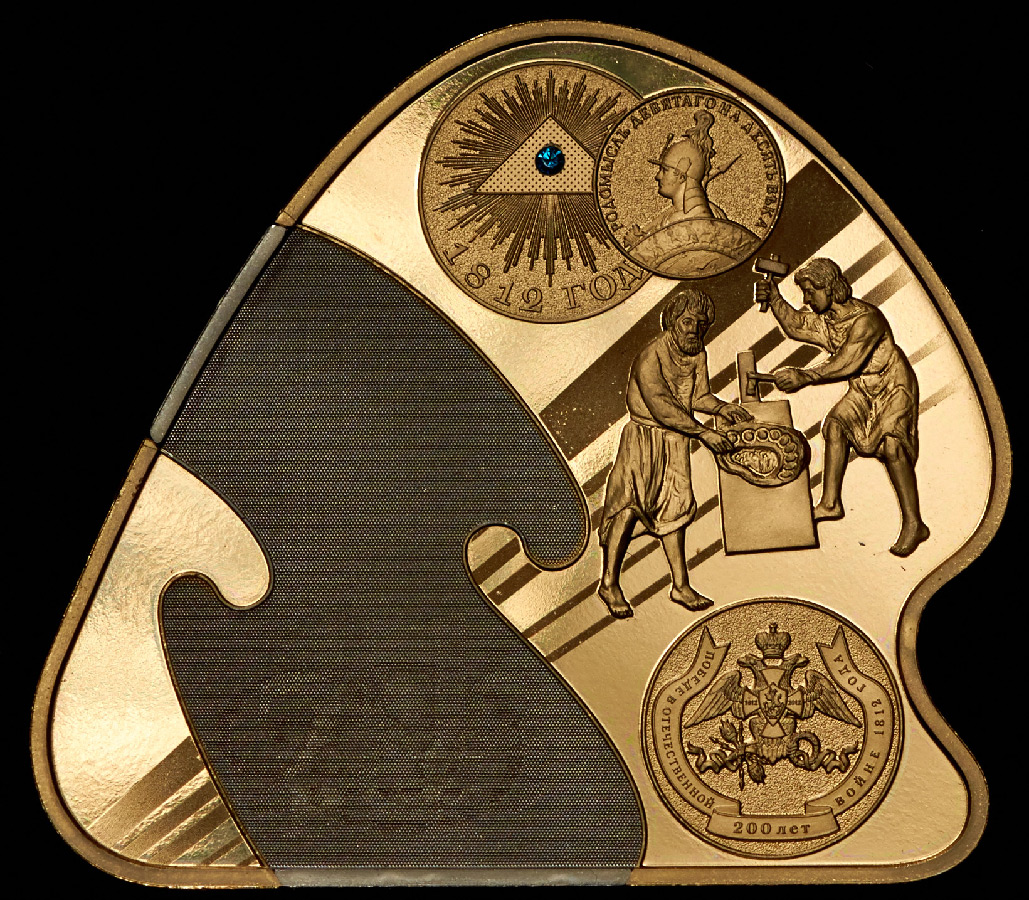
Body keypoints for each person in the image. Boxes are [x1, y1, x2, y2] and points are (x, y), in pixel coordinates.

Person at [756, 258, 929, 556]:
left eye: (810, 291)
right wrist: (774, 298)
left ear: (829, 287)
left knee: (893, 447)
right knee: (835, 425)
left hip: (893, 385)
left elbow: (848, 361)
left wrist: (805, 376)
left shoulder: (867, 319)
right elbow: (797, 325)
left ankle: (915, 524)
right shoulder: (828, 321)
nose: (806, 300)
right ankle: (830, 503)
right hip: (863, 388)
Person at [598, 287, 752, 618]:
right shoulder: (650, 356)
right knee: (628, 506)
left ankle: (680, 585)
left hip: (676, 441)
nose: (694, 329)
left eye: (701, 323)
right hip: (643, 439)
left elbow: (697, 397)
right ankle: (609, 582)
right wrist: (704, 433)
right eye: (687, 322)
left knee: (676, 509)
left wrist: (721, 408)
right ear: (672, 321)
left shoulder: (697, 355)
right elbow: (661, 406)